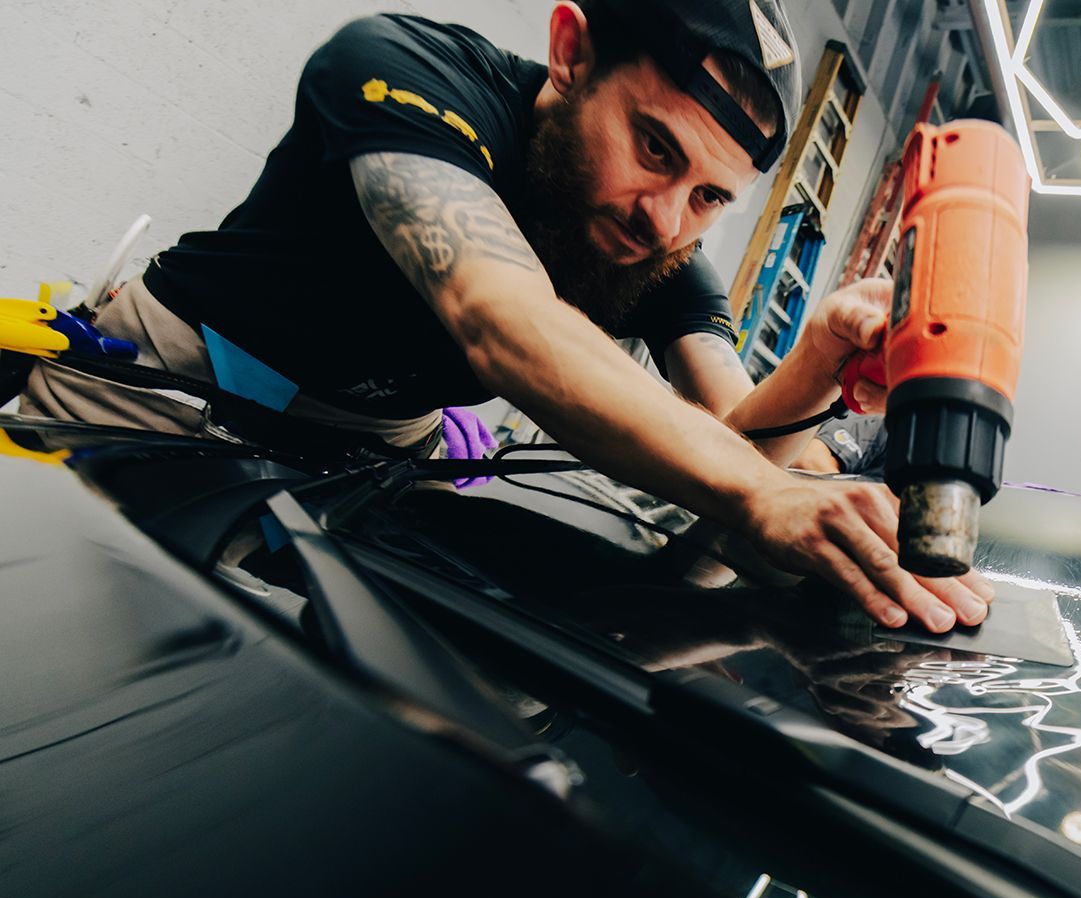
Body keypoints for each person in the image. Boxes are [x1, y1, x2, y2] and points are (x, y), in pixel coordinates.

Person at [17, 0, 988, 634]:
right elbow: (498, 315)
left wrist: (819, 354)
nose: (664, 218)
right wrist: (757, 495)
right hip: (161, 395)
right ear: (570, 54)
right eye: (653, 146)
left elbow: (733, 438)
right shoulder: (407, 70)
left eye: (707, 198)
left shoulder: (656, 244)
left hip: (355, 469)